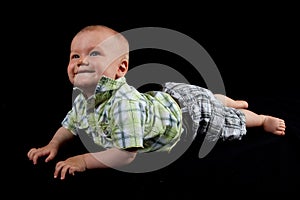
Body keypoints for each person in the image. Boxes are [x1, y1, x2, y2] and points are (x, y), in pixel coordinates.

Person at [27, 25, 286, 180]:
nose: (80, 61)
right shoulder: (84, 100)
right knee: (208, 96)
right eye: (74, 55)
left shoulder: (122, 103)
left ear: (121, 68)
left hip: (189, 117)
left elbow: (126, 155)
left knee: (223, 116)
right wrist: (53, 144)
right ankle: (228, 100)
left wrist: (82, 160)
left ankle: (257, 117)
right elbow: (69, 125)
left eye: (93, 53)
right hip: (168, 101)